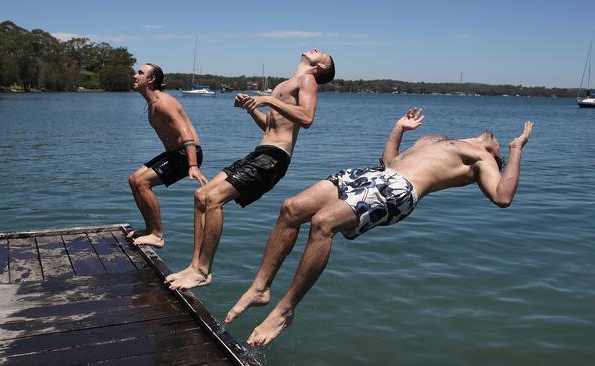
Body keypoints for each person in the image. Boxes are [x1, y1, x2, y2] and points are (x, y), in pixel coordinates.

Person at [225, 107, 534, 346]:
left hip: (400, 190)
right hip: (375, 175)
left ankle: (285, 310)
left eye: (500, 154)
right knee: (291, 208)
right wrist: (398, 128)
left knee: (322, 224)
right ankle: (260, 288)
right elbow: (390, 162)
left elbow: (503, 196)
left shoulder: (483, 158)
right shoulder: (438, 141)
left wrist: (515, 149)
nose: (496, 145)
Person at [165, 49, 336, 290]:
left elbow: (307, 118)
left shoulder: (308, 80)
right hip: (261, 152)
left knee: (213, 199)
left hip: (274, 158)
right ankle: (194, 266)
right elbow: (270, 126)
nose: (316, 50)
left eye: (323, 54)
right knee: (201, 196)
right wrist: (251, 108)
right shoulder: (284, 85)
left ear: (320, 68)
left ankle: (203, 271)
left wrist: (267, 99)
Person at [127, 63, 207, 247]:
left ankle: (157, 235)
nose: (134, 75)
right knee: (133, 179)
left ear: (150, 79)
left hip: (186, 154)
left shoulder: (163, 102)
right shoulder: (152, 102)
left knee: (142, 182)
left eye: (140, 73)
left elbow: (185, 131)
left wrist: (193, 165)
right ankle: (150, 229)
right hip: (174, 153)